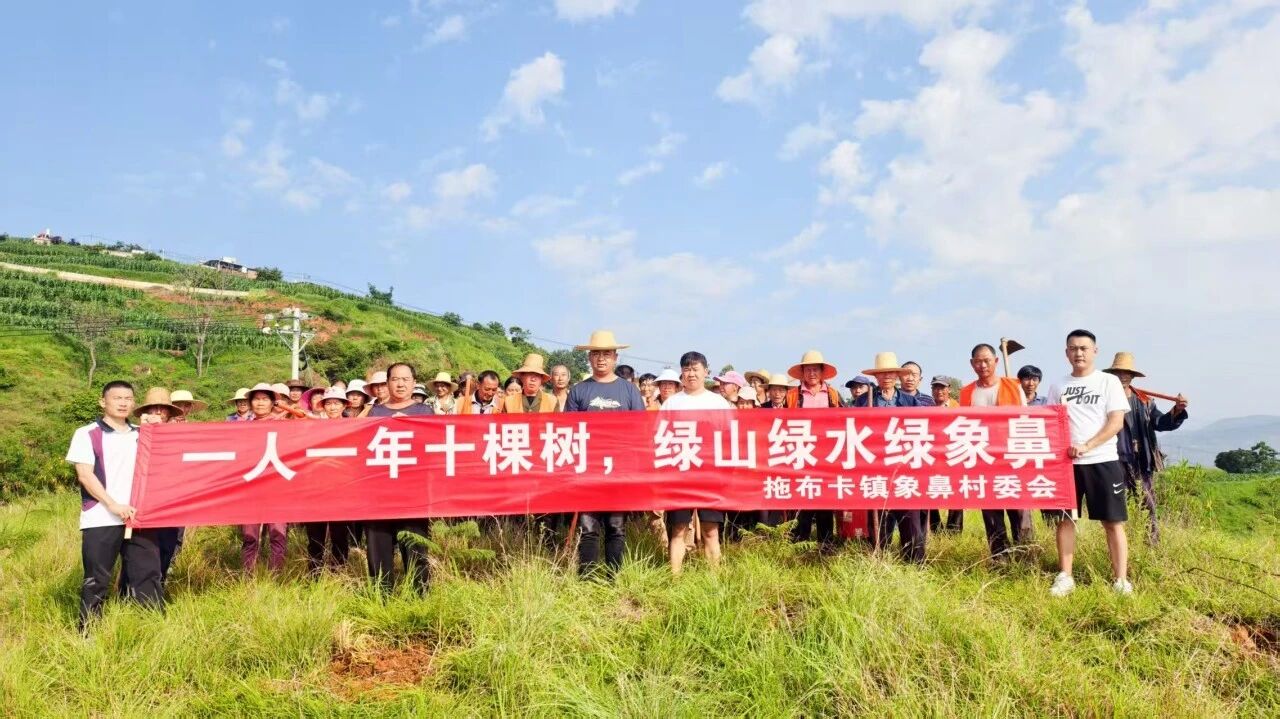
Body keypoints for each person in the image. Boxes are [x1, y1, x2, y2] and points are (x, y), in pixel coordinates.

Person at [68, 380, 164, 631]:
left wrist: (158, 427)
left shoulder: (141, 434)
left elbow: (169, 455)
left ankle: (152, 629)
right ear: (103, 402)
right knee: (97, 578)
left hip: (140, 518)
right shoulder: (87, 433)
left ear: (134, 403)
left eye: (128, 398)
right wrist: (113, 505)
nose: (123, 403)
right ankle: (88, 633)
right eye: (117, 398)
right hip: (101, 517)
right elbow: (85, 475)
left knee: (147, 575)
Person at [1047, 330, 1133, 596]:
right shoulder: (1058, 386)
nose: (1078, 353)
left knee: (1112, 522)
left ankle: (1120, 580)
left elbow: (1116, 422)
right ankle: (1065, 576)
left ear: (1095, 351)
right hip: (1066, 465)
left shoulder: (1108, 382)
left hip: (1102, 460)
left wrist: (1087, 446)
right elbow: (1050, 423)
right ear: (1066, 353)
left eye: (1084, 348)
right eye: (1073, 348)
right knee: (1066, 520)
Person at [565, 330, 646, 577]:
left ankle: (613, 577)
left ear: (615, 357)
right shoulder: (578, 391)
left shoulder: (629, 391)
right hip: (588, 469)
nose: (601, 358)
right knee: (588, 527)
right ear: (589, 358)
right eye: (596, 354)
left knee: (616, 526)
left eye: (607, 354)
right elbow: (568, 432)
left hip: (619, 469)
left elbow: (640, 430)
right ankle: (587, 577)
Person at [1102, 352, 1188, 545]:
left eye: (1127, 373)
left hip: (1141, 460)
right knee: (1116, 506)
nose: (1123, 376)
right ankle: (1120, 545)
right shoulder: (1103, 399)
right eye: (1118, 372)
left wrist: (1177, 411)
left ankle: (1151, 543)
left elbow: (1160, 422)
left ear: (1132, 376)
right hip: (1113, 460)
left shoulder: (1144, 401)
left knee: (1147, 503)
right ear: (1112, 375)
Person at [661, 351, 733, 574]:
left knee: (711, 530)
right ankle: (674, 578)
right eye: (687, 369)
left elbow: (728, 436)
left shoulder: (718, 402)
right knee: (678, 530)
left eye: (695, 369)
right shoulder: (671, 403)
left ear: (706, 372)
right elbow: (660, 437)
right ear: (681, 373)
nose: (691, 374)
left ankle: (714, 580)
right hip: (679, 474)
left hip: (710, 475)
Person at [365, 363, 434, 592]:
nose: (401, 384)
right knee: (379, 546)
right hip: (380, 491)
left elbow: (432, 447)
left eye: (405, 379)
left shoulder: (424, 412)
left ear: (414, 383)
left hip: (413, 492)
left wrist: (410, 427)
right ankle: (381, 596)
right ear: (387, 383)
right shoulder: (376, 413)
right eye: (395, 379)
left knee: (415, 546)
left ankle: (419, 594)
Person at [960, 343, 1033, 560]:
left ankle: (1025, 557)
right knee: (991, 512)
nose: (983, 365)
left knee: (1019, 509)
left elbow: (1026, 421)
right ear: (972, 364)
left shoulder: (1013, 386)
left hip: (1012, 458)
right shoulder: (967, 393)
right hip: (983, 460)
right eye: (978, 362)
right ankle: (1000, 559)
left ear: (996, 361)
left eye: (987, 361)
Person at [856, 352, 927, 563]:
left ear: (897, 375)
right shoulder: (862, 402)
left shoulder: (911, 402)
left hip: (905, 470)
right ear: (876, 377)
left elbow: (922, 433)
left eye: (890, 373)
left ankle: (914, 564)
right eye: (882, 373)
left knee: (910, 520)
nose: (886, 377)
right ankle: (879, 562)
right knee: (879, 521)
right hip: (876, 470)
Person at [785, 350, 844, 548]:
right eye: (808, 370)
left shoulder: (833, 394)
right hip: (801, 453)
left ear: (822, 372)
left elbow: (845, 420)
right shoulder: (792, 396)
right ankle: (799, 544)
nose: (811, 373)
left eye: (815, 370)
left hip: (828, 455)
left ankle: (825, 544)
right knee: (802, 499)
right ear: (802, 373)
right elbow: (782, 422)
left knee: (825, 501)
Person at [137, 388, 191, 585]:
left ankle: (160, 583)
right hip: (144, 502)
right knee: (143, 547)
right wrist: (144, 429)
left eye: (163, 408)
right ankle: (138, 589)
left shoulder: (180, 434)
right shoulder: (135, 433)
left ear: (170, 412)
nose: (159, 412)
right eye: (154, 408)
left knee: (168, 544)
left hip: (172, 499)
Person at [239, 383, 290, 574]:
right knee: (250, 536)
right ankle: (248, 574)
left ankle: (276, 575)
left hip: (278, 488)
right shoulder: (242, 428)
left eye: (264, 399)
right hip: (251, 488)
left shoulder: (283, 425)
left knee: (278, 534)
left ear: (272, 402)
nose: (260, 403)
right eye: (256, 399)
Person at [926, 375, 963, 534]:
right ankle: (935, 528)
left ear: (949, 389)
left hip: (954, 456)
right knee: (929, 490)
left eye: (942, 387)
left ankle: (954, 530)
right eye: (935, 387)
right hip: (933, 457)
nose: (939, 391)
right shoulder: (926, 408)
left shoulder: (958, 408)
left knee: (956, 493)